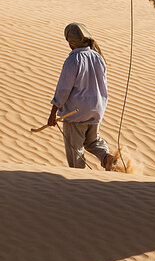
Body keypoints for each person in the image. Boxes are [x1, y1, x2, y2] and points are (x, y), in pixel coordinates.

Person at [40, 22, 118, 170]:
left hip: (75, 112)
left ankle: (79, 179)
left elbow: (63, 89)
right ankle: (107, 158)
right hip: (96, 109)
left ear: (70, 41)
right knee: (92, 141)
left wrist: (53, 113)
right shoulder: (98, 57)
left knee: (75, 149)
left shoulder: (73, 60)